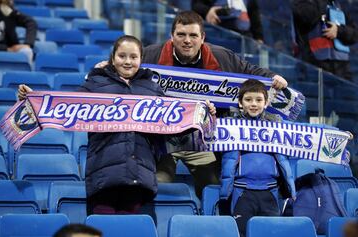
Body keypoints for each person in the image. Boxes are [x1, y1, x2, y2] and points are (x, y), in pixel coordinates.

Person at [95, 11, 287, 199]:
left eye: (193, 35)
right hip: (163, 141)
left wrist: (272, 78)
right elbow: (126, 67)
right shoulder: (151, 55)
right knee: (158, 185)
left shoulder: (221, 56)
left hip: (201, 141)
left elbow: (249, 70)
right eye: (181, 35)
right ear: (172, 36)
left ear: (202, 37)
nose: (187, 40)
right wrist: (107, 69)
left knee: (214, 187)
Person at [18, 35, 216, 215]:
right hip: (103, 174)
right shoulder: (95, 84)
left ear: (141, 59)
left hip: (140, 175)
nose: (128, 61)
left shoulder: (153, 89)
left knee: (130, 229)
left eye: (133, 56)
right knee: (104, 227)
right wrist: (32, 99)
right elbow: (63, 105)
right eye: (122, 56)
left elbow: (175, 124)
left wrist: (204, 115)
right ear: (113, 58)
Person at [219, 79, 296, 237]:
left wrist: (337, 136)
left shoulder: (277, 125)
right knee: (241, 233)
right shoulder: (229, 126)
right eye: (248, 100)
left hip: (270, 192)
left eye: (259, 100)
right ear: (240, 103)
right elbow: (205, 129)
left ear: (266, 103)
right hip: (242, 192)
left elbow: (308, 133)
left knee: (270, 234)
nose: (254, 104)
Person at [292, 0, 358, 80]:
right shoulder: (303, 3)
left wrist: (339, 30)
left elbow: (355, 34)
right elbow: (307, 17)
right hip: (314, 67)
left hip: (342, 69)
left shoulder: (338, 5)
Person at [191, 0, 264, 43]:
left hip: (245, 39)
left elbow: (254, 14)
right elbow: (196, 5)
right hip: (219, 35)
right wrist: (207, 11)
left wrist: (258, 37)